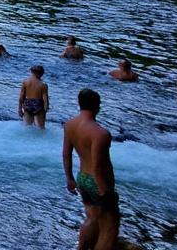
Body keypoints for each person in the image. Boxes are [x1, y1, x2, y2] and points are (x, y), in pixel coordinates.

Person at [64, 88, 120, 250]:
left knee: (92, 218)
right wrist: (105, 192)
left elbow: (66, 154)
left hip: (82, 178)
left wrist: (69, 178)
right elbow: (97, 166)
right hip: (98, 183)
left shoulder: (70, 125)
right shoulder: (100, 134)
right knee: (109, 229)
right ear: (97, 106)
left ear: (79, 104)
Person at [19, 65, 49, 129]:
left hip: (28, 103)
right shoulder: (43, 85)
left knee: (27, 127)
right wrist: (45, 111)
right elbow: (45, 100)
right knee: (41, 128)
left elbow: (21, 97)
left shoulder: (25, 82)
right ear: (41, 73)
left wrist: (19, 109)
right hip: (39, 104)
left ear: (31, 72)